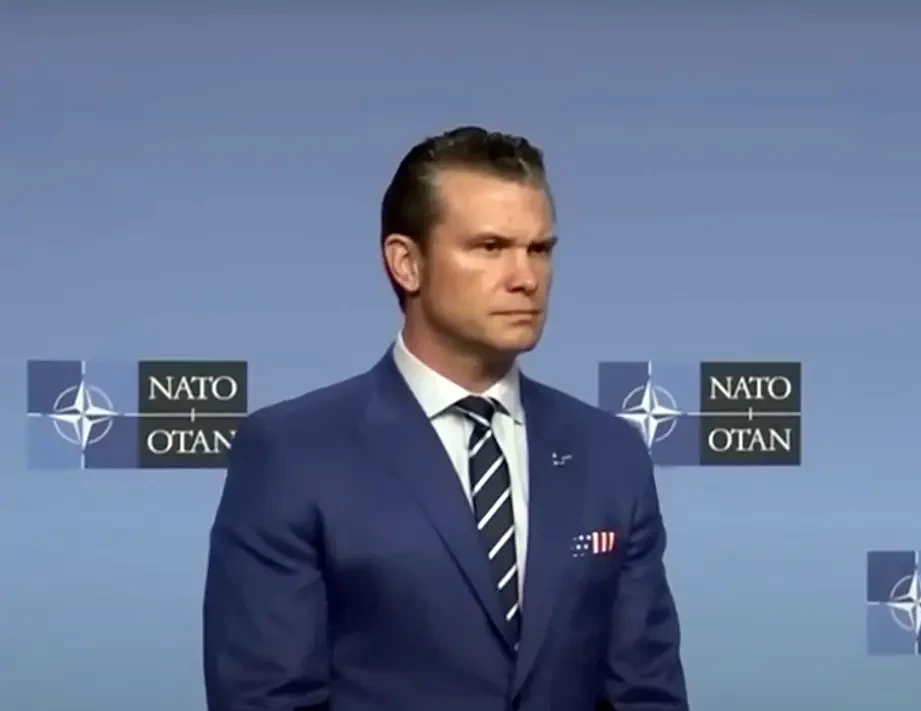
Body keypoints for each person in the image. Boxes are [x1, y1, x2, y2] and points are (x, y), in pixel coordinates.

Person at [202, 126, 689, 711]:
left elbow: (646, 693)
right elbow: (267, 700)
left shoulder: (611, 453)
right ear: (406, 263)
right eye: (490, 247)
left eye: (539, 249)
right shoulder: (292, 453)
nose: (526, 278)